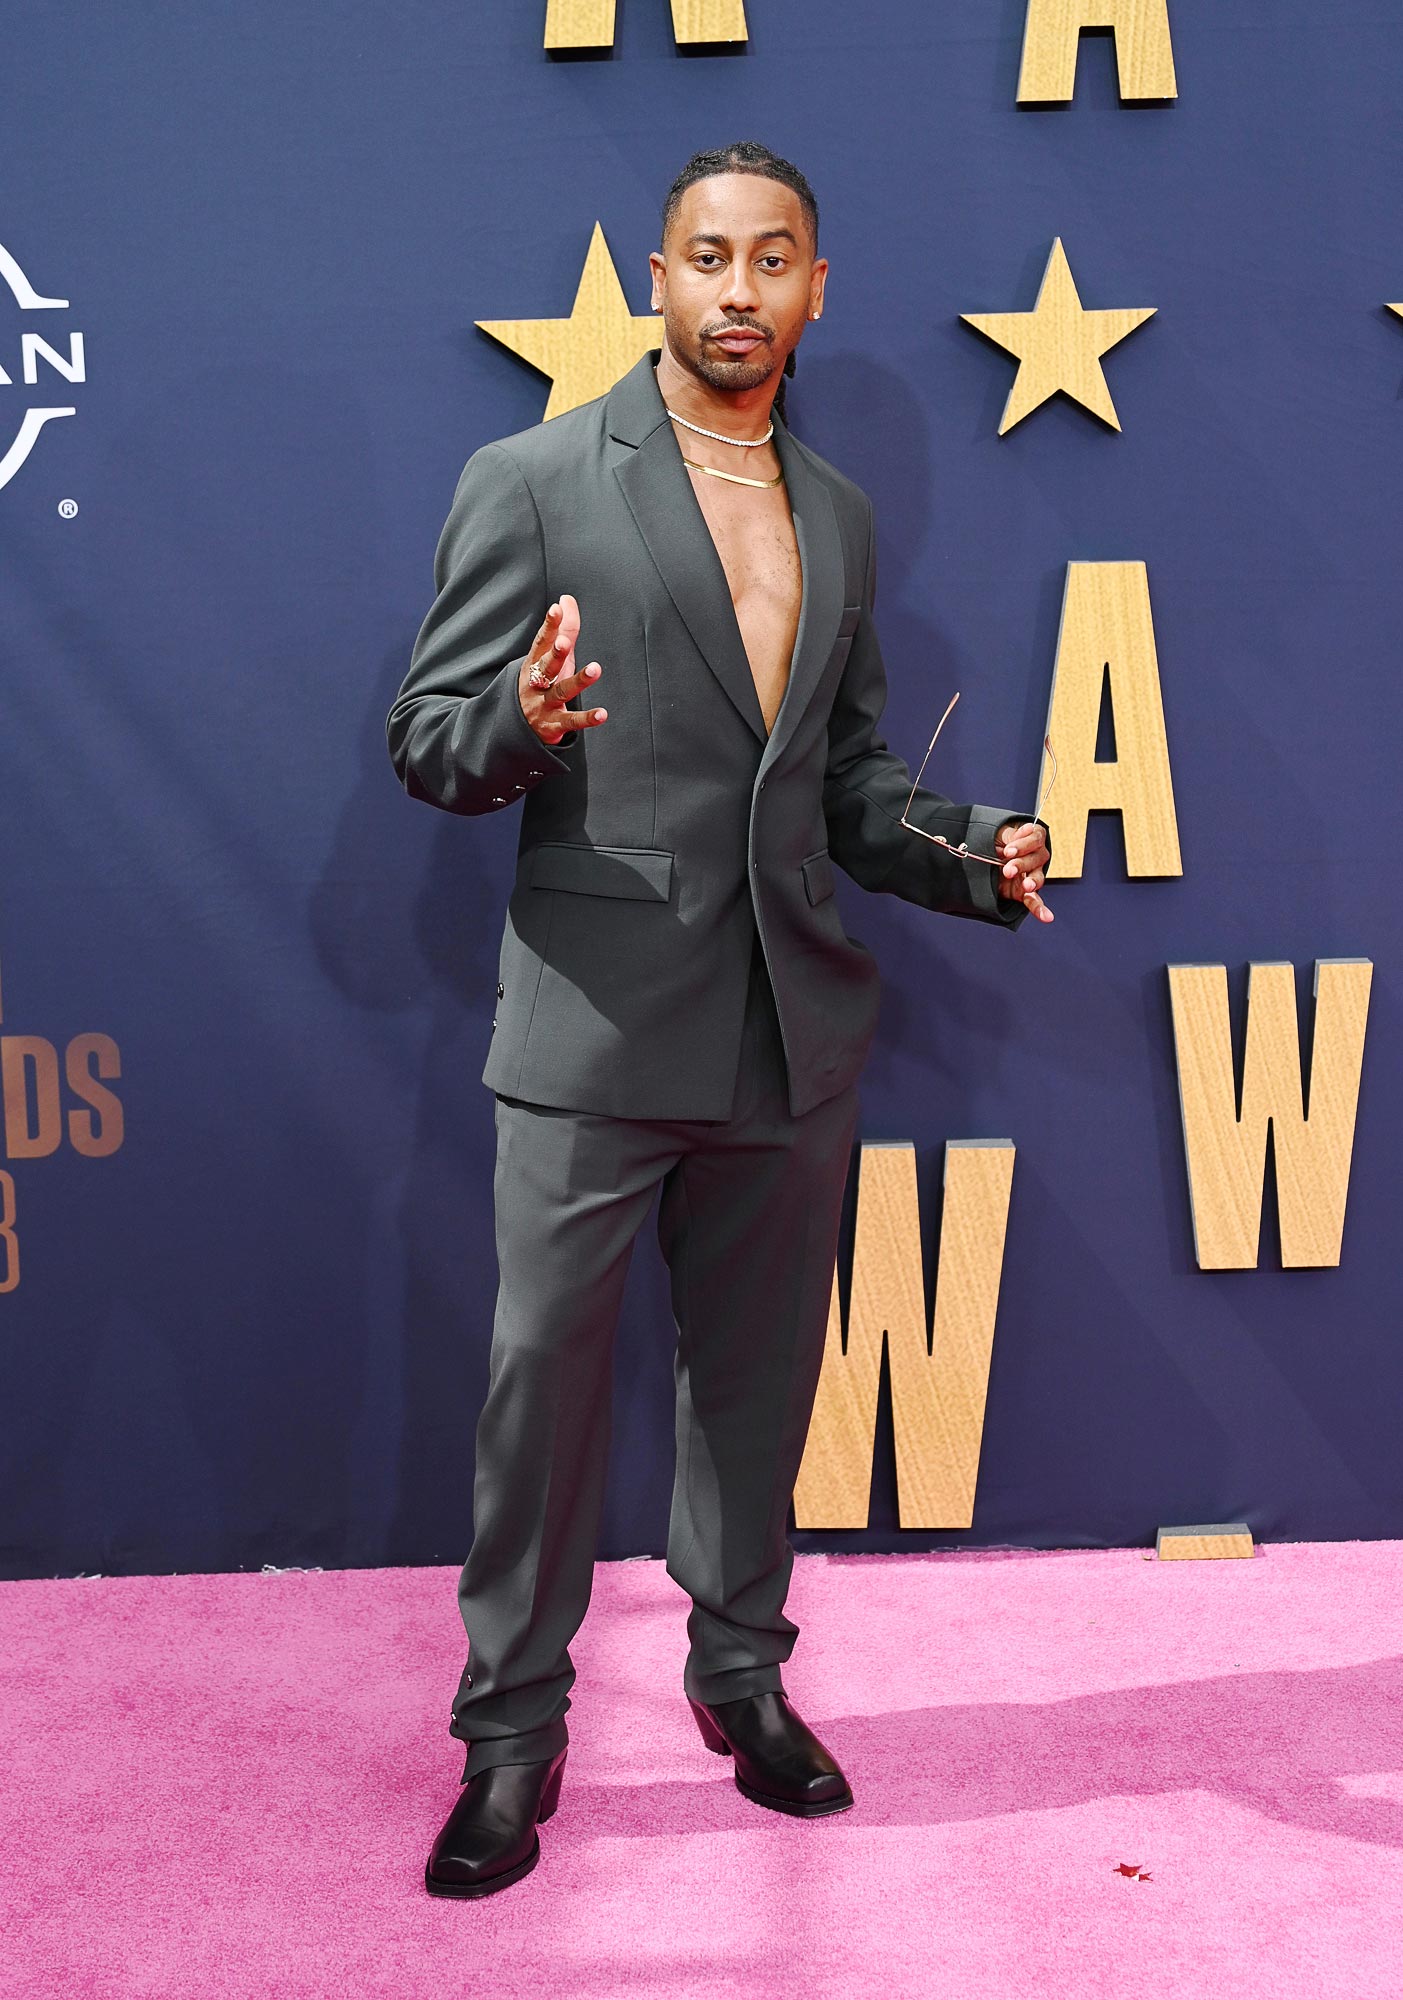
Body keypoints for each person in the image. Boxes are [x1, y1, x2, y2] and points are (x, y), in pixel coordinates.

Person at [387, 140, 1052, 1901]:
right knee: (541, 1393)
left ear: (815, 288)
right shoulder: (534, 477)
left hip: (786, 1029)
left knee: (756, 1390)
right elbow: (429, 738)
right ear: (658, 280)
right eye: (707, 256)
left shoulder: (836, 512)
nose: (737, 288)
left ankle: (740, 1675)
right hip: (595, 1027)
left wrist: (978, 852)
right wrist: (522, 720)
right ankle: (510, 1736)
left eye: (771, 259)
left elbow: (846, 783)